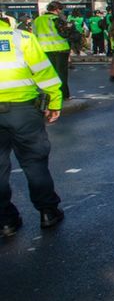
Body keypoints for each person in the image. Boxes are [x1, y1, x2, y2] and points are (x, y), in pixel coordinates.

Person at [0, 13, 64, 238]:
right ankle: (47, 211)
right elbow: (45, 73)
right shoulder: (22, 38)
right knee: (34, 162)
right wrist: (54, 101)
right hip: (23, 111)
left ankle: (5, 221)